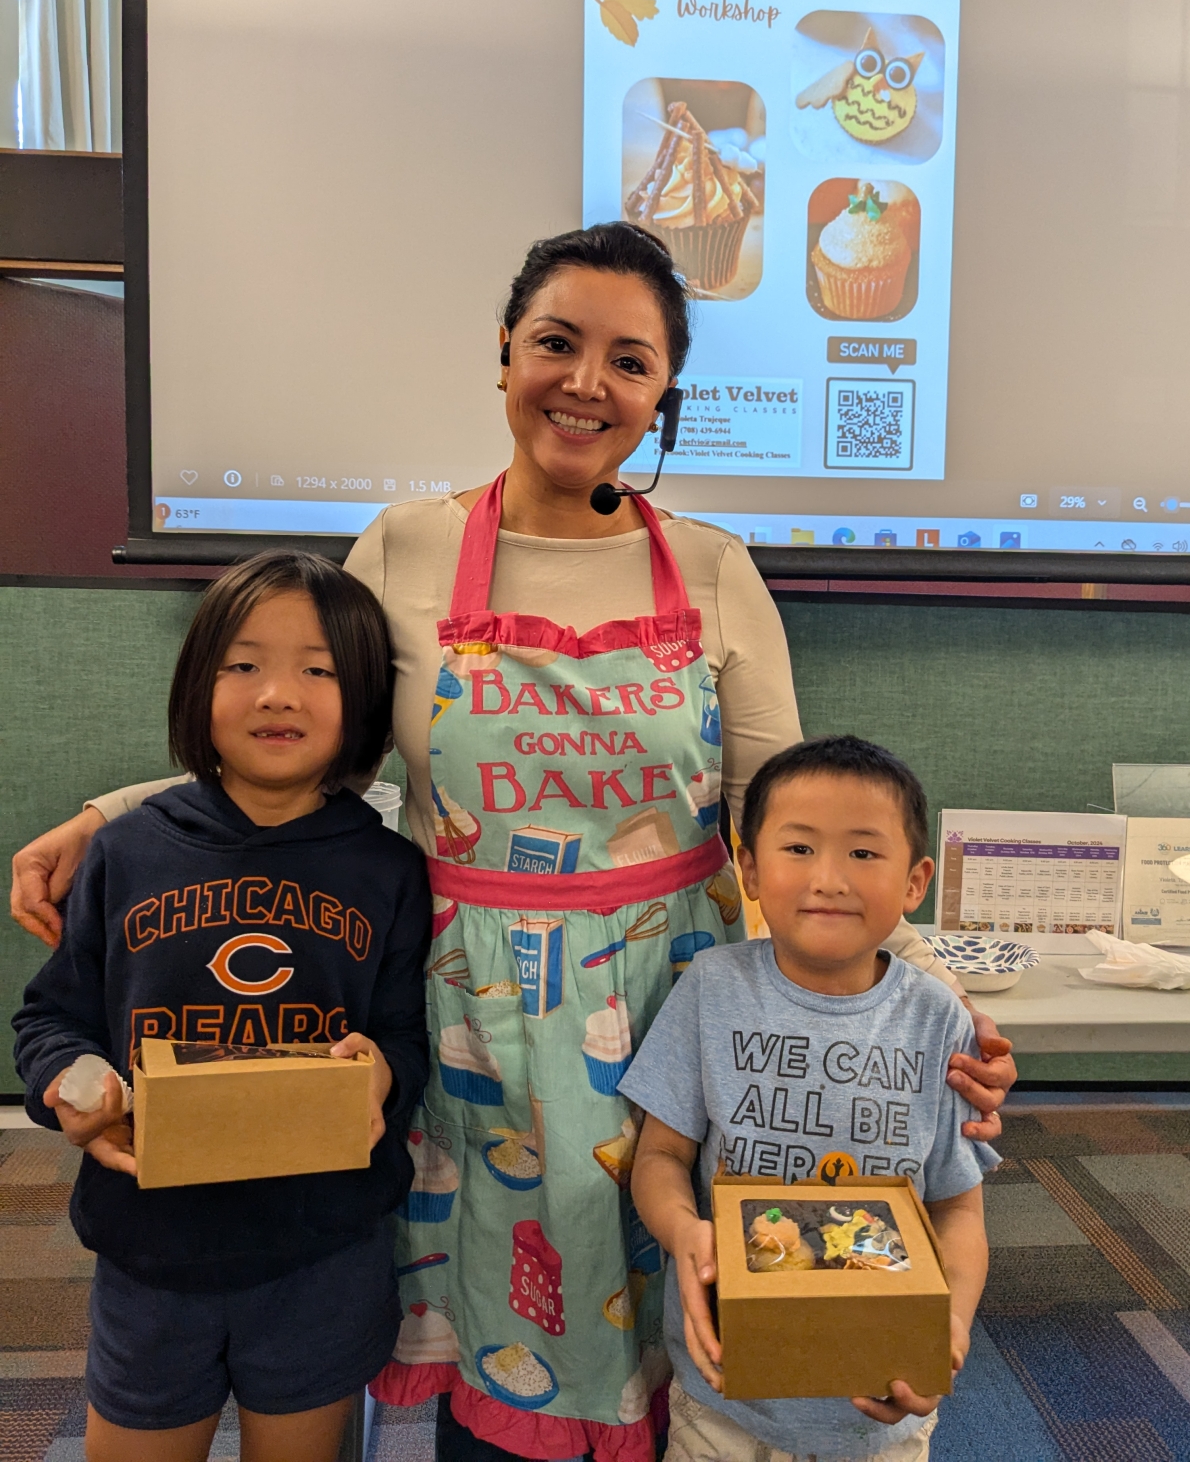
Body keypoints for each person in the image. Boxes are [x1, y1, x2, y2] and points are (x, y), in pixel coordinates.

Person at [10, 223, 1013, 1462]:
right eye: (557, 343)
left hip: (678, 1002)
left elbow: (790, 827)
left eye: (629, 360)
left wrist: (923, 999)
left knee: (685, 1309)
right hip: (475, 1006)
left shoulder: (714, 569)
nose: (586, 382)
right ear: (503, 355)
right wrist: (109, 814)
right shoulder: (406, 547)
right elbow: (314, 749)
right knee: (503, 1301)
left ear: (663, 394)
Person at [12, 552, 431, 1462]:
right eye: (243, 665)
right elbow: (51, 1018)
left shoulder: (391, 870)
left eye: (319, 670)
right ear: (197, 685)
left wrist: (384, 1070)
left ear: (365, 701)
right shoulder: (124, 852)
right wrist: (74, 1082)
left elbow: (404, 1031)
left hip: (321, 1244)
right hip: (151, 1244)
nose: (278, 694)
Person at [622, 735, 994, 1462]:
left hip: (881, 1400)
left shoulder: (937, 1019)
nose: (829, 878)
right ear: (750, 869)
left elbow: (958, 1206)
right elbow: (660, 1155)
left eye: (863, 852)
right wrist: (682, 1230)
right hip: (727, 1396)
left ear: (916, 881)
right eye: (798, 849)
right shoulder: (711, 989)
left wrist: (949, 1325)